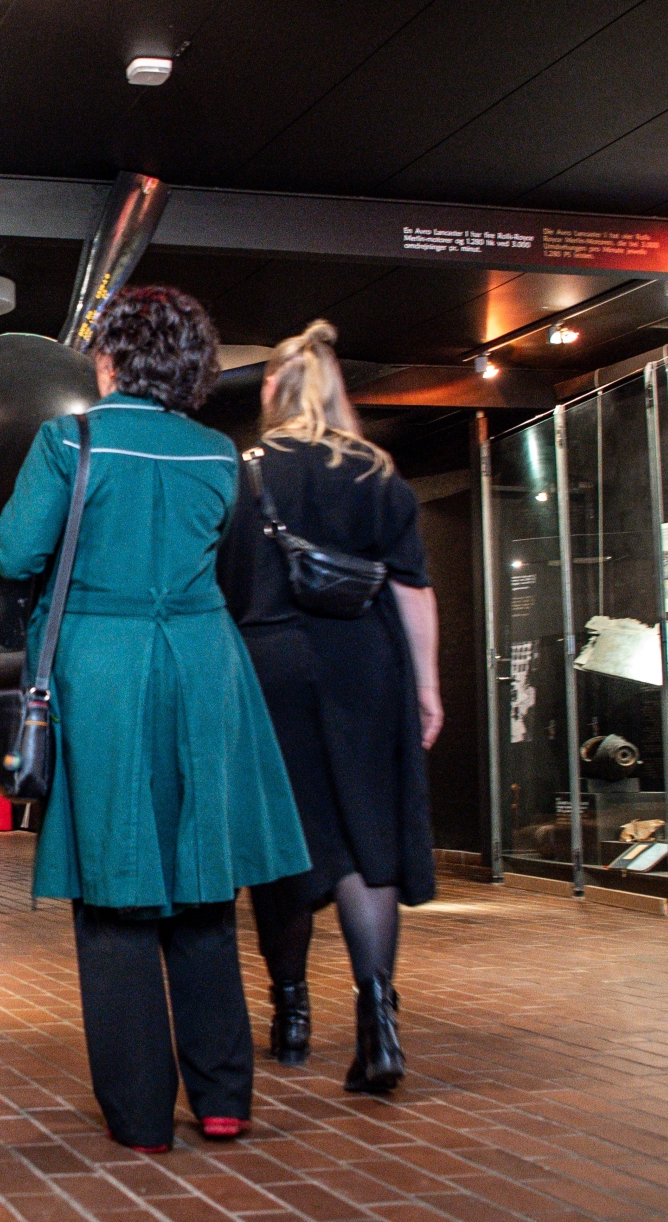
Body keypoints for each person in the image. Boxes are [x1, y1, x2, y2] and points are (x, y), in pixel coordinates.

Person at [0, 286, 309, 1153]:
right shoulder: (217, 453)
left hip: (105, 670)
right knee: (204, 890)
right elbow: (233, 572)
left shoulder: (70, 440)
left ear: (112, 357)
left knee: (115, 897)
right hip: (207, 667)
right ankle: (223, 1099)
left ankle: (139, 1115)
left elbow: (14, 552)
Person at [217, 319, 442, 1096]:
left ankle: (290, 1016)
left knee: (283, 841)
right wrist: (427, 687)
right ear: (336, 388)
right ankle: (378, 1018)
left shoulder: (242, 473)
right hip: (366, 666)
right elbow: (413, 591)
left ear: (273, 388)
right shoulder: (379, 473)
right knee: (363, 839)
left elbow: (218, 592)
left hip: (269, 665)